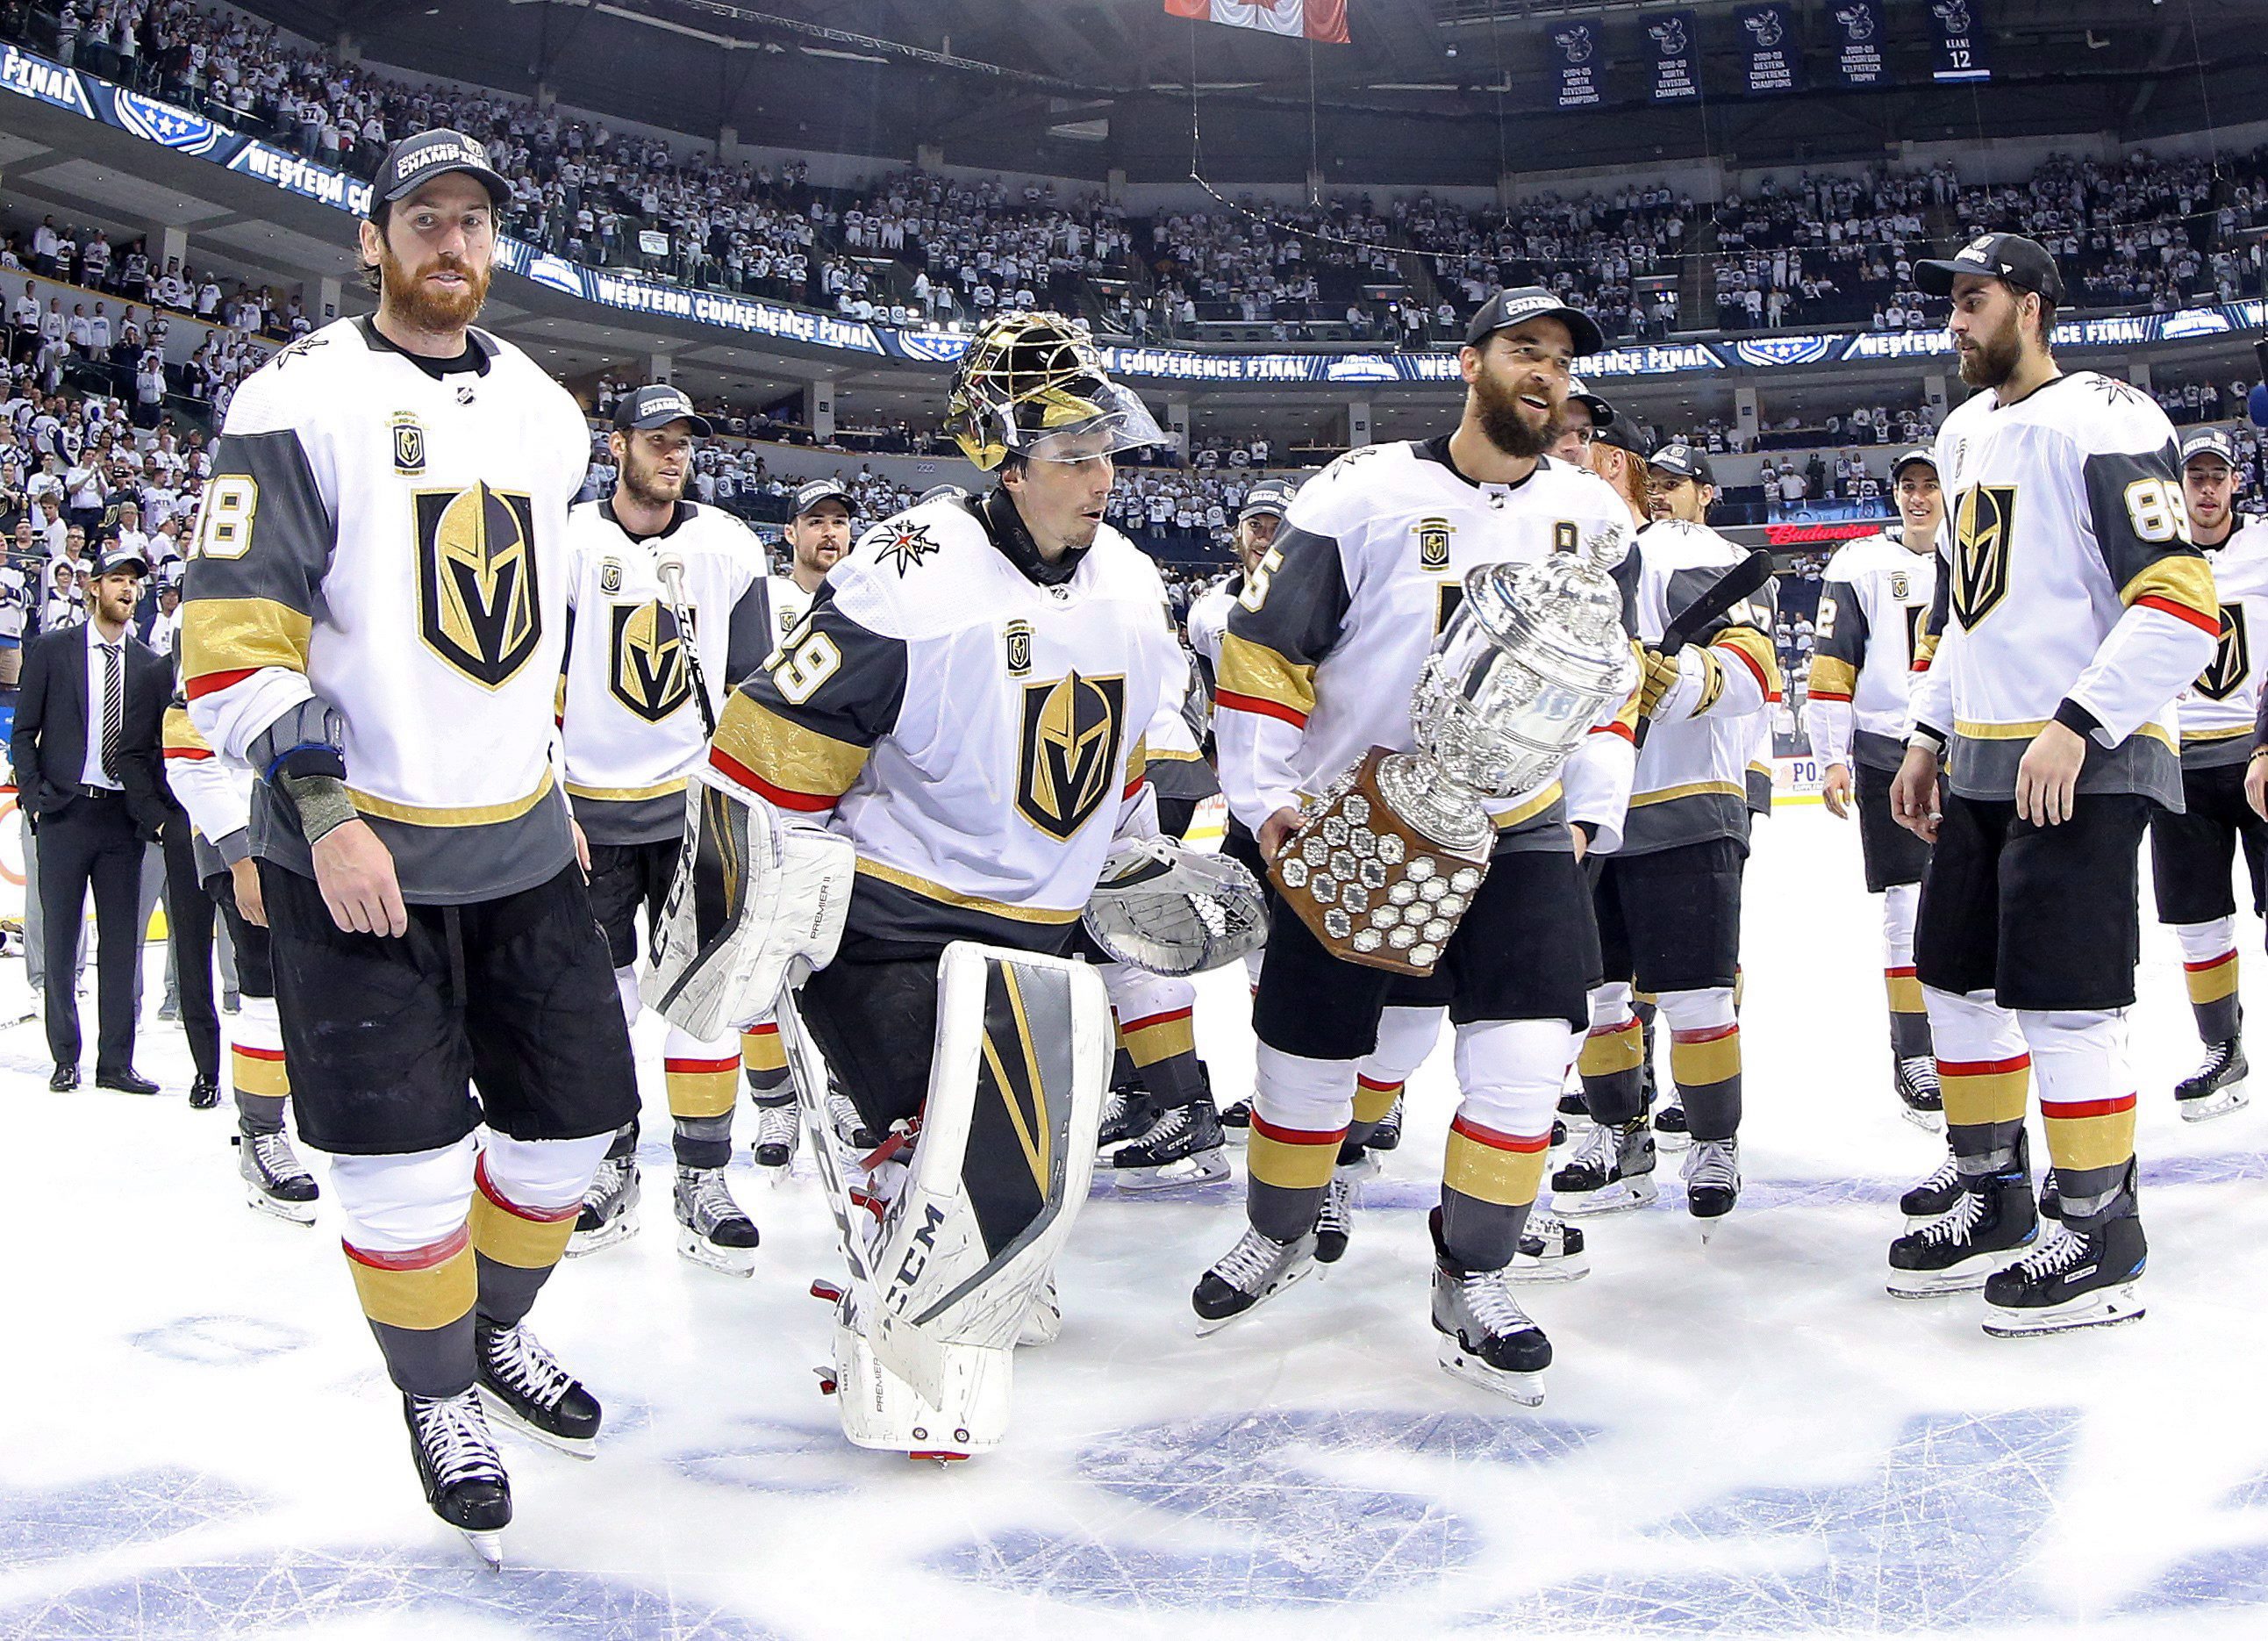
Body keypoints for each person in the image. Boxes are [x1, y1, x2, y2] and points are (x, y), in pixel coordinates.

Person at [179, 128, 638, 1565]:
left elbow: (524, 637)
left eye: (474, 222)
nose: (453, 242)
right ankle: (437, 1394)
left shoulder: (547, 414)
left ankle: (486, 1330)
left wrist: (551, 781)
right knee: (401, 1160)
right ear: (372, 238)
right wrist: (324, 816)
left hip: (517, 841)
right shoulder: (295, 395)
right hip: (355, 843)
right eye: (425, 218)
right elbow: (231, 635)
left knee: (572, 1125)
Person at [669, 311, 1182, 1453]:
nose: (1102, 479)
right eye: (1074, 457)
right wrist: (752, 914)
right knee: (930, 1163)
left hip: (1042, 940)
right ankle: (902, 1307)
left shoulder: (1134, 583)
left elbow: (1126, 763)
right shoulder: (904, 573)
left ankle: (968, 1256)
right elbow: (764, 749)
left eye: (1106, 453)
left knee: (1021, 1177)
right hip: (896, 926)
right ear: (1009, 464)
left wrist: (1139, 863)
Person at [1198, 287, 1637, 1403]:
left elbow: (1610, 677)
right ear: (1469, 363)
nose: (1543, 373)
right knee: (1306, 1056)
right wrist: (1265, 795)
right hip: (1363, 812)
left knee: (1527, 1054)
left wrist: (1590, 804)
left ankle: (1472, 1273)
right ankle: (1279, 1228)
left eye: (1558, 360)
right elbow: (1261, 650)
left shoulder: (1595, 514)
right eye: (1523, 350)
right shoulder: (1358, 494)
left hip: (1517, 821)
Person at [1886, 233, 2216, 1335]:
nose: (1953, 322)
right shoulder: (1960, 431)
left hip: (2084, 755)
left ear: (2029, 307)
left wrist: (2077, 723)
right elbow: (1961, 610)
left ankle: (2099, 1228)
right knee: (1953, 981)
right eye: (1950, 303)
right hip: (1982, 753)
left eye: (1971, 301)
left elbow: (2178, 604)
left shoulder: (2107, 418)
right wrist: (1927, 733)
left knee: (2065, 999)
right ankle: (1992, 1193)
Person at [554, 383, 782, 1272]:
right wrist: (547, 792)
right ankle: (612, 1163)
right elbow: (534, 676)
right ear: (616, 446)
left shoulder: (726, 543)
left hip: (696, 807)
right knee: (602, 1001)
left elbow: (753, 683)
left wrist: (755, 800)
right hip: (591, 811)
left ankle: (702, 1177)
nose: (673, 453)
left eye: (683, 440)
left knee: (701, 994)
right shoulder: (568, 540)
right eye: (656, 439)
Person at [1554, 440, 1780, 1224]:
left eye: (1585, 444)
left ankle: (1713, 1141)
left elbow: (1753, 670)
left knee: (1696, 995)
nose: (1568, 454)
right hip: (1580, 809)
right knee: (1598, 995)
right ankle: (1617, 1136)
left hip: (1679, 801)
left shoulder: (1689, 551)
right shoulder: (1548, 547)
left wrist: (1670, 679)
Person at [1806, 448, 1945, 1124]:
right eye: (1907, 486)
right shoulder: (1858, 563)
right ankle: (1913, 1050)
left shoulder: (1976, 554)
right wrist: (1831, 756)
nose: (1917, 497)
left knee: (1981, 896)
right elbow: (1832, 664)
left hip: (1969, 746)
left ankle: (1974, 1039)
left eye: (1929, 485)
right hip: (1888, 749)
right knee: (1904, 903)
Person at [10, 545, 169, 1094]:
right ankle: (65, 1057)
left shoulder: (149, 664)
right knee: (60, 939)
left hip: (121, 821)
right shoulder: (52, 650)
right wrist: (35, 797)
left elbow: (154, 749)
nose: (128, 589)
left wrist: (150, 812)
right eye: (118, 579)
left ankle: (115, 1063)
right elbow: (23, 733)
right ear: (93, 587)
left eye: (135, 582)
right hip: (65, 813)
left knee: (122, 944)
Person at [162, 654, 315, 1217]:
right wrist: (240, 857)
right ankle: (261, 1135)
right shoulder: (221, 619)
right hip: (248, 844)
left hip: (327, 834)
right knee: (264, 993)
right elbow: (187, 751)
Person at [2145, 428, 2268, 1120]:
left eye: (2216, 476)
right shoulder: (2154, 554)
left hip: (2260, 753)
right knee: (2197, 920)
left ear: (2234, 482)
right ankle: (2222, 1049)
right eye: (2195, 476)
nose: (2206, 488)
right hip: (2182, 762)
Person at [768, 477, 851, 649]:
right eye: (816, 522)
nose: (830, 532)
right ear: (791, 534)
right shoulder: (765, 598)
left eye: (839, 522)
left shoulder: (867, 606)